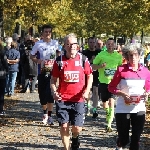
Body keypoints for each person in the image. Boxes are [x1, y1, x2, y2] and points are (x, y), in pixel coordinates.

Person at [50, 33, 93, 150]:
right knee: (64, 126)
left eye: (73, 44)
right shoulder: (59, 61)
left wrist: (87, 90)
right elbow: (53, 80)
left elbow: (90, 76)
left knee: (77, 128)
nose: (71, 46)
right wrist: (54, 92)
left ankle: (75, 138)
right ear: (64, 46)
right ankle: (67, 148)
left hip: (78, 99)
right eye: (68, 44)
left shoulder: (83, 60)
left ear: (77, 46)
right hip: (63, 99)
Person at [108, 43, 150, 150]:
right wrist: (121, 93)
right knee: (124, 139)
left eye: (136, 55)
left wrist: (147, 93)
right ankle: (120, 144)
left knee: (136, 138)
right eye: (131, 55)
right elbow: (111, 87)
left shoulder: (145, 71)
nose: (133, 58)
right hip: (123, 108)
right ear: (127, 57)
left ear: (140, 55)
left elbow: (148, 87)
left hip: (139, 108)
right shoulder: (121, 70)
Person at [30, 24, 58, 125]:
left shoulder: (55, 43)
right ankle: (45, 112)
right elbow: (31, 55)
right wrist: (38, 60)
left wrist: (58, 62)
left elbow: (60, 54)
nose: (47, 34)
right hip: (42, 72)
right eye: (45, 32)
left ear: (51, 33)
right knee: (42, 94)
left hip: (52, 72)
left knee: (50, 94)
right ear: (42, 33)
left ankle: (49, 116)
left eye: (49, 32)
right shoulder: (38, 44)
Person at [92, 38, 122, 132]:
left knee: (111, 102)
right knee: (105, 105)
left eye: (112, 44)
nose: (110, 45)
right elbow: (93, 66)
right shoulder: (101, 55)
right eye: (108, 44)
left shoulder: (118, 56)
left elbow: (120, 68)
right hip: (103, 82)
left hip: (113, 83)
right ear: (106, 45)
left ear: (114, 45)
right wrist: (100, 66)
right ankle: (108, 114)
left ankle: (109, 124)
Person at [82, 37, 101, 117]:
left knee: (96, 92)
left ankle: (95, 109)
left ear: (96, 43)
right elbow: (82, 64)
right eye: (90, 42)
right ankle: (88, 106)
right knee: (88, 91)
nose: (92, 44)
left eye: (93, 42)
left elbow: (102, 63)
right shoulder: (84, 52)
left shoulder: (99, 52)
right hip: (87, 74)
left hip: (96, 74)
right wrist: (90, 61)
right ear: (88, 43)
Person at [0, 42, 8, 115]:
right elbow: (5, 63)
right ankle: (1, 110)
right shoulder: (2, 52)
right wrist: (7, 69)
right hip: (1, 75)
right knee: (1, 93)